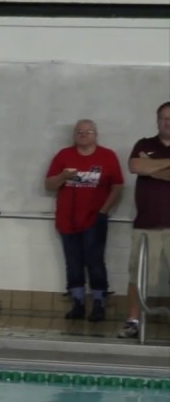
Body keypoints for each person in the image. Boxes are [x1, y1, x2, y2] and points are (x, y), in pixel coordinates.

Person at [45, 119, 124, 322]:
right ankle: (78, 303)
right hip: (67, 220)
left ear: (95, 135)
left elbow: (118, 187)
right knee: (73, 263)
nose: (83, 134)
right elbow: (49, 185)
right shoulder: (64, 156)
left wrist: (103, 212)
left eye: (88, 131)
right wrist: (63, 175)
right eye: (79, 131)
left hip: (94, 220)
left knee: (95, 262)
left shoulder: (107, 156)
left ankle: (99, 303)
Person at [120, 102, 170, 339]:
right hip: (146, 224)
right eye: (163, 118)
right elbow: (135, 165)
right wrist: (147, 166)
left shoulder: (148, 152)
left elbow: (145, 167)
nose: (167, 122)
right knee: (137, 276)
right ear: (157, 120)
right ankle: (132, 321)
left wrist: (151, 168)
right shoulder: (144, 144)